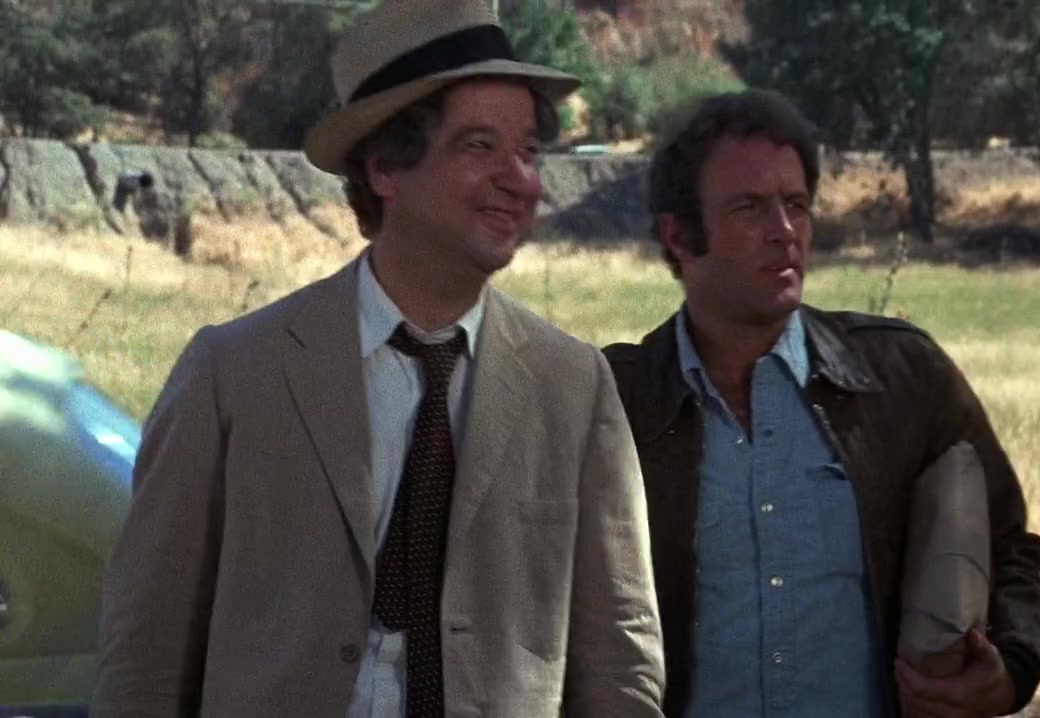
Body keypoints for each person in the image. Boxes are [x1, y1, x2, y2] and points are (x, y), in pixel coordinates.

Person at [92, 2, 664, 716]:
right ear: (385, 167)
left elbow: (621, 659)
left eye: (527, 152)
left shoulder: (574, 386)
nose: (519, 180)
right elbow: (144, 655)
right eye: (479, 147)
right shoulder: (232, 375)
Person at [603, 89, 1040, 717]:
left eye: (796, 205)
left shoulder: (902, 377)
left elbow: (1008, 547)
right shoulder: (613, 402)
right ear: (679, 236)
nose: (784, 231)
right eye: (750, 208)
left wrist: (1009, 672)